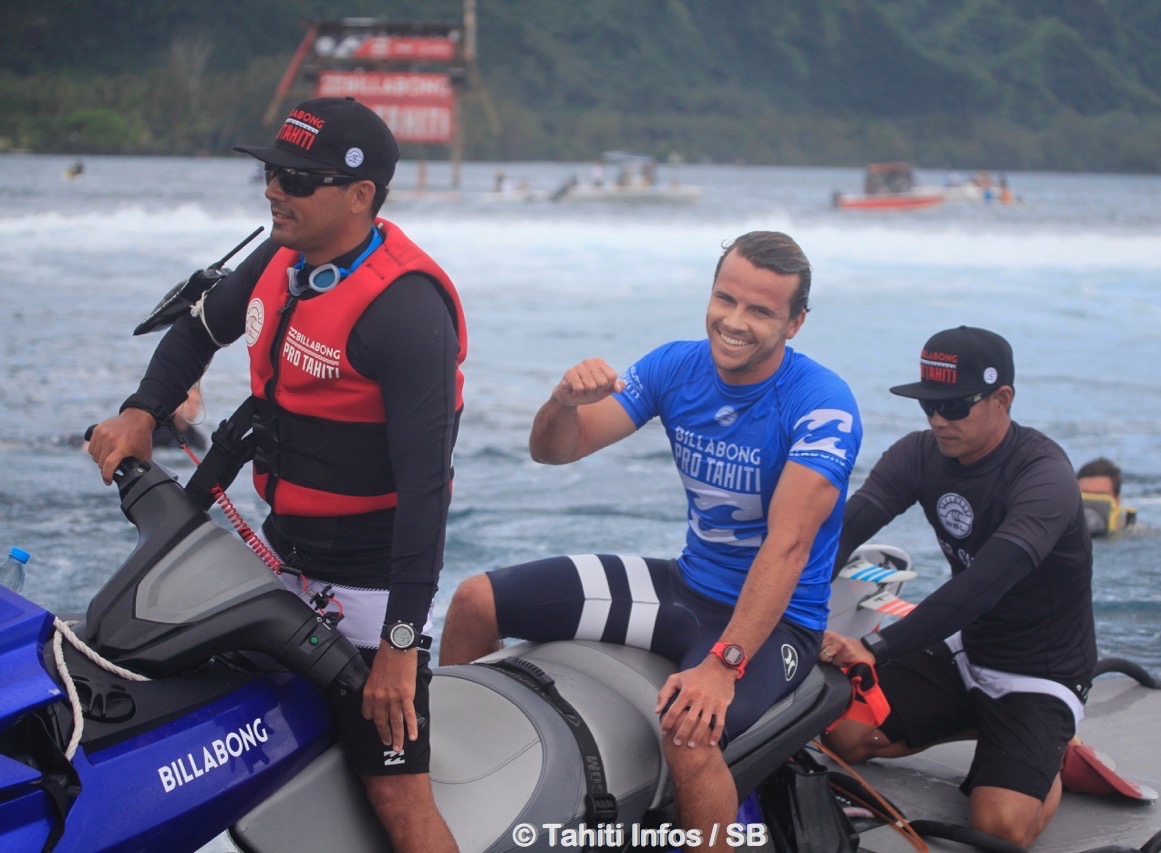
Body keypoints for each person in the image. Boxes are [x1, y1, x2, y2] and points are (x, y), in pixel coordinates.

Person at [87, 96, 465, 852]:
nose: (273, 190)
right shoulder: (281, 258)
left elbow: (427, 492)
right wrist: (142, 409)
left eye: (296, 178)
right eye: (270, 172)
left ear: (360, 196)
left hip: (368, 591)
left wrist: (398, 645)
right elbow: (198, 327)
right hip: (279, 556)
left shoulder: (405, 309)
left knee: (397, 796)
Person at [440, 231, 861, 851]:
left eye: (761, 311)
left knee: (690, 731)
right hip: (686, 584)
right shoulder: (675, 366)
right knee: (475, 600)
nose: (734, 322)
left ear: (795, 323)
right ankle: (454, 783)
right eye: (726, 299)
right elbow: (557, 450)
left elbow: (789, 547)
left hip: (777, 621)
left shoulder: (822, 406)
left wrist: (724, 665)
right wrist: (562, 402)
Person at [820, 326, 1095, 848]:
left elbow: (983, 585)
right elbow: (842, 533)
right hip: (966, 652)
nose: (938, 420)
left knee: (997, 829)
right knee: (838, 737)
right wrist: (793, 611)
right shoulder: (918, 455)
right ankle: (980, 726)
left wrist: (875, 648)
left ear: (1002, 399)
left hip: (1040, 674)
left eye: (954, 406)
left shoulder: (1043, 475)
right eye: (928, 406)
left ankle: (1050, 755)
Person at [1077, 456, 1137, 537]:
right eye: (1085, 495)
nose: (1092, 502)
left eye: (1101, 496)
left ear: (1117, 500)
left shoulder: (1133, 532)